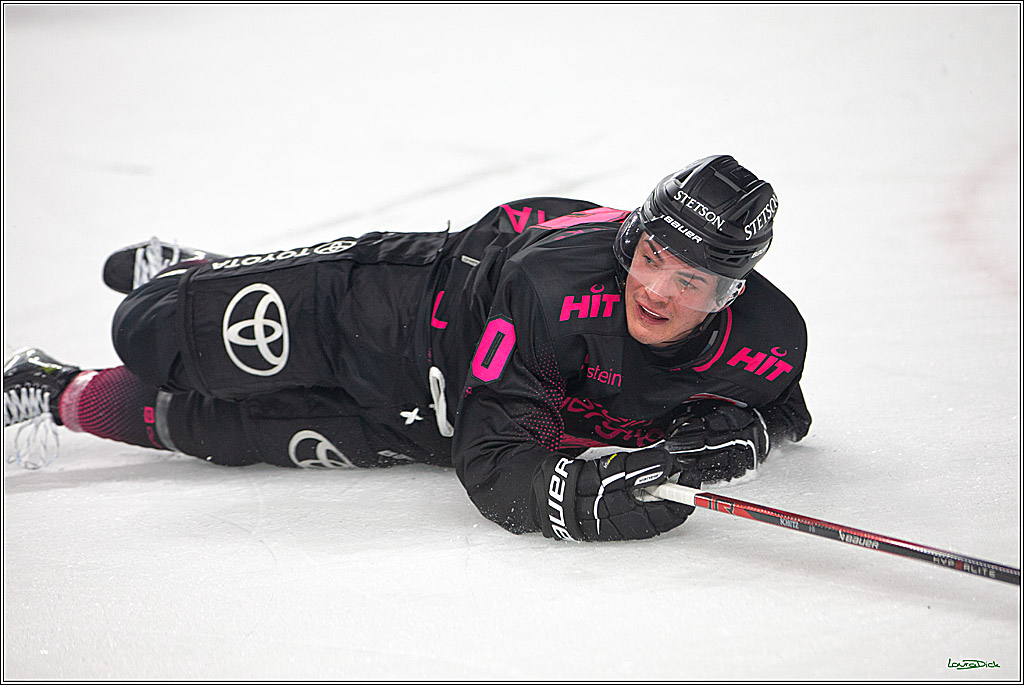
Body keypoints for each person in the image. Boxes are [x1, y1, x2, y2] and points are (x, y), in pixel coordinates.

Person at [3, 154, 811, 542]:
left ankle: (47, 385)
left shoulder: (772, 338)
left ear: (731, 292)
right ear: (631, 242)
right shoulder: (555, 286)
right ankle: (194, 275)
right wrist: (580, 502)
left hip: (428, 423)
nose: (659, 291)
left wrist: (747, 435)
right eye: (651, 259)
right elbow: (498, 458)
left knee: (218, 429)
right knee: (147, 330)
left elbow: (782, 408)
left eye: (693, 280)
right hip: (401, 309)